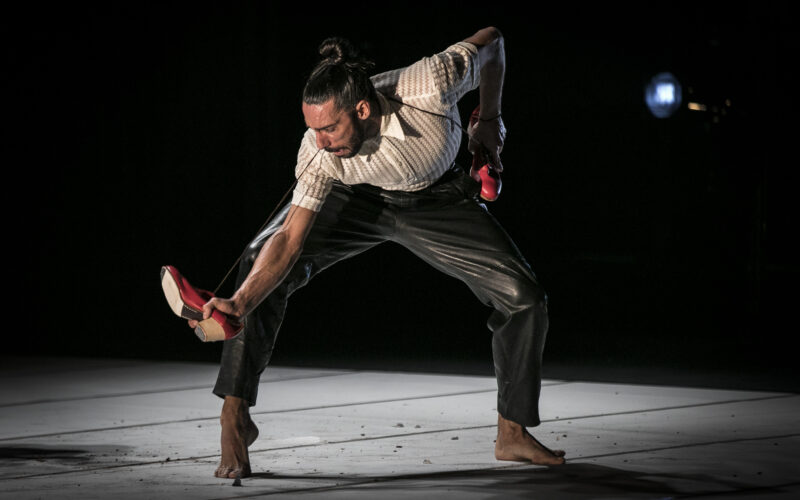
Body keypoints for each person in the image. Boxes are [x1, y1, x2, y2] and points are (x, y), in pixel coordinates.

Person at [187, 27, 566, 479]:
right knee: (259, 258)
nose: (320, 141)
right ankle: (235, 413)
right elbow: (289, 239)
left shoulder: (431, 81)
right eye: (313, 129)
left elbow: (494, 43)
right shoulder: (319, 150)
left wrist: (489, 117)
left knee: (525, 298)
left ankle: (513, 431)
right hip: (357, 201)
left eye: (329, 128)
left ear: (362, 109)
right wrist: (238, 303)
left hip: (435, 200)